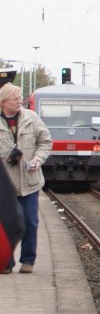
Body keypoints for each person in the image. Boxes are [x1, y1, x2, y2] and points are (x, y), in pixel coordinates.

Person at [0, 82, 53, 274]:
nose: (19, 101)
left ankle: (28, 260)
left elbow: (46, 141)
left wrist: (38, 159)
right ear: (4, 102)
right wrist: (7, 157)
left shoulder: (31, 118)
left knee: (30, 221)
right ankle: (6, 262)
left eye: (20, 97)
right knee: (6, 225)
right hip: (5, 183)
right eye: (15, 98)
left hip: (29, 181)